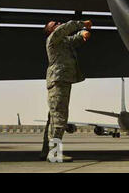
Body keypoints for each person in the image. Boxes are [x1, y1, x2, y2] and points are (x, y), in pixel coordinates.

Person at [40, 20, 92, 162]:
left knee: (54, 117)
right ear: (51, 30)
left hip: (61, 81)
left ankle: (47, 152)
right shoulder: (53, 39)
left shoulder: (63, 42)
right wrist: (82, 24)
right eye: (54, 24)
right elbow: (64, 29)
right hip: (58, 81)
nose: (58, 23)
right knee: (59, 118)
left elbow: (74, 39)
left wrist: (82, 34)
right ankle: (54, 154)